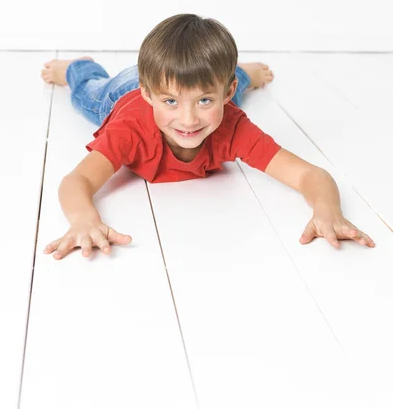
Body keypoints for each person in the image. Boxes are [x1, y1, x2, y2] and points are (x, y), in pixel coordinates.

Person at [41, 14, 375, 260]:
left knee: (226, 93)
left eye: (204, 101)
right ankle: (78, 66)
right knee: (87, 93)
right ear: (150, 94)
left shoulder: (231, 124)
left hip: (195, 86)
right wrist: (84, 219)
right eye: (171, 102)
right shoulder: (129, 129)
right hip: (120, 94)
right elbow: (76, 181)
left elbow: (309, 174)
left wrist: (327, 210)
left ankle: (243, 74)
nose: (188, 120)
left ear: (223, 94)